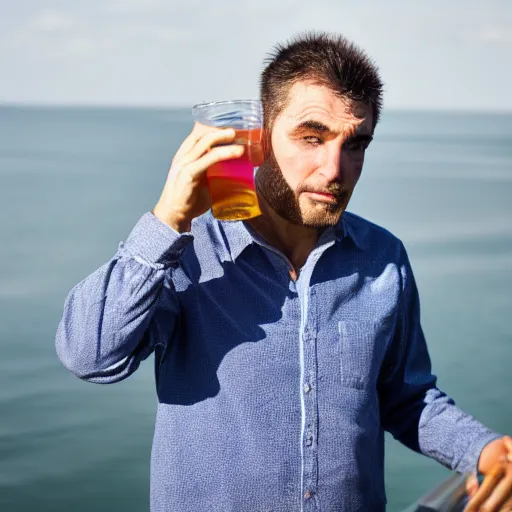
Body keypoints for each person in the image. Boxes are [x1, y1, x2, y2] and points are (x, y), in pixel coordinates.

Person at [56, 32, 512, 512]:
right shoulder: (188, 252)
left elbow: (404, 396)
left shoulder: (383, 259)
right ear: (259, 137)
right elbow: (90, 355)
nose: (334, 168)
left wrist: (482, 448)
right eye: (311, 137)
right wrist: (167, 220)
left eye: (355, 144)